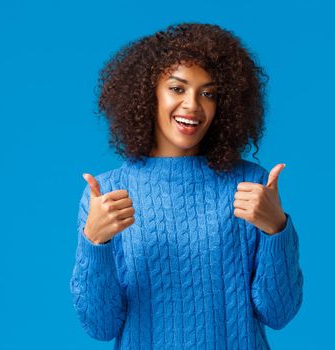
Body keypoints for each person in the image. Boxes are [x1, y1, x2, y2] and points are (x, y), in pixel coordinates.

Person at [70, 22, 304, 349]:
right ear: (147, 92)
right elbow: (100, 325)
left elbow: (279, 313)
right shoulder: (109, 193)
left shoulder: (251, 185)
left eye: (208, 93)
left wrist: (276, 231)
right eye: (177, 88)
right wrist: (95, 243)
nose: (193, 105)